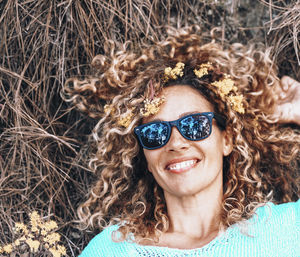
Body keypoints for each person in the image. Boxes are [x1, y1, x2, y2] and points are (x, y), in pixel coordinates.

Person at [65, 28, 300, 256]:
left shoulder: (288, 229)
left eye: (195, 125)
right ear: (145, 157)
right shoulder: (111, 250)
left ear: (227, 139)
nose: (176, 143)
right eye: (155, 132)